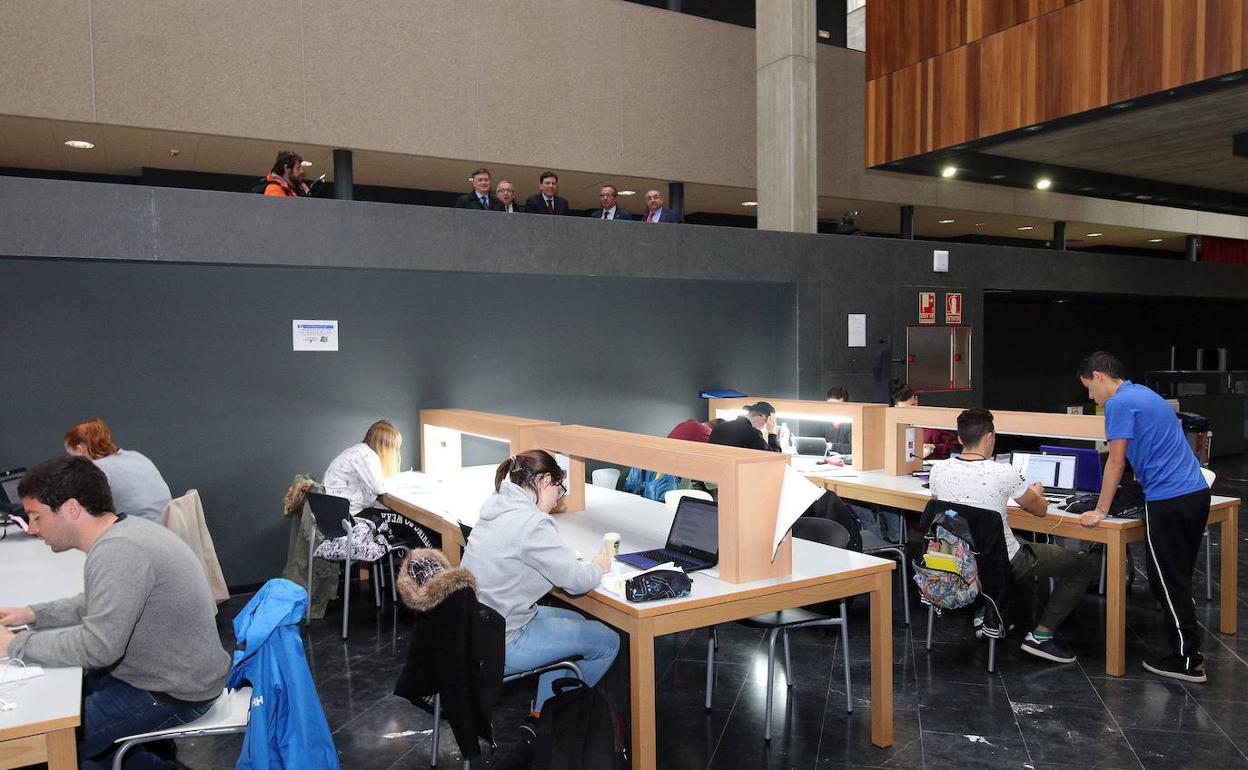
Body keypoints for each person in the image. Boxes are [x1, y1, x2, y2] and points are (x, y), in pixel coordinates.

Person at [0, 456, 230, 770]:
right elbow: (98, 602)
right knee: (71, 720)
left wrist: (13, 646)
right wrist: (31, 613)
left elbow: (97, 648)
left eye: (36, 517)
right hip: (169, 674)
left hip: (174, 691)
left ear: (71, 509)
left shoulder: (118, 551)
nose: (33, 529)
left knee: (40, 749)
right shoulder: (125, 530)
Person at [460, 450, 618, 735]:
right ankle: (557, 717)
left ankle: (541, 713)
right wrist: (598, 566)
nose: (558, 498)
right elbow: (576, 582)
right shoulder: (533, 523)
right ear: (544, 481)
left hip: (475, 629)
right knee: (608, 641)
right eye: (559, 488)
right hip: (501, 643)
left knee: (580, 624)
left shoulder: (497, 505)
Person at [1077, 351, 1211, 682]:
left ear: (1098, 376)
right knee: (1176, 576)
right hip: (1195, 493)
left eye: (1089, 390)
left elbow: (1115, 461)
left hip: (1169, 498)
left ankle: (1187, 659)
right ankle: (1186, 650)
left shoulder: (1118, 404)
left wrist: (1100, 510)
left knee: (1165, 579)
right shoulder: (1145, 394)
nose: (1091, 397)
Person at [929, 408, 1099, 664]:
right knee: (1084, 567)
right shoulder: (1004, 472)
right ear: (990, 437)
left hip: (958, 560)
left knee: (1003, 544)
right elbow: (1040, 510)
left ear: (960, 438)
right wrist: (1036, 491)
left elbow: (947, 512)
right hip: (1001, 561)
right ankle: (1041, 636)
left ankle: (988, 612)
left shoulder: (938, 471)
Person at [323, 420, 434, 547]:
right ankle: (432, 563)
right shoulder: (367, 455)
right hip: (350, 518)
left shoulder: (358, 451)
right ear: (386, 446)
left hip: (334, 517)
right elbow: (379, 487)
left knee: (394, 516)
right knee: (412, 525)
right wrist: (400, 481)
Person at [64, 418, 172, 523]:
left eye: (71, 455)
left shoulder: (95, 469)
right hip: (168, 524)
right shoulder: (136, 456)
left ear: (80, 449)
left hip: (140, 529)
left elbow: (88, 512)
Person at [890, 383, 961, 459]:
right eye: (905, 410)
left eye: (912, 406)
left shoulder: (930, 425)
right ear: (896, 408)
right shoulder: (891, 430)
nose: (910, 413)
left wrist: (934, 448)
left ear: (916, 400)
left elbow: (956, 446)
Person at [708, 401, 786, 451]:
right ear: (761, 417)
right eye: (768, 422)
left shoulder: (719, 427)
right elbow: (774, 458)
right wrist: (772, 432)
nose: (765, 426)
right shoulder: (752, 433)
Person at [823, 386, 853, 455]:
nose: (833, 409)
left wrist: (832, 446)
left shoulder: (850, 423)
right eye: (830, 406)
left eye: (837, 406)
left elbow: (854, 448)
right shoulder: (824, 420)